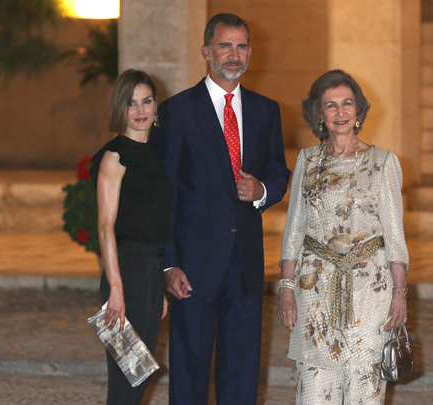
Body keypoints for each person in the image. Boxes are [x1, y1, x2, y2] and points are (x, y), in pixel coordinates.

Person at [149, 13, 291, 405]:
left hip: (245, 264)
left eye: (241, 46)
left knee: (242, 372)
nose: (234, 54)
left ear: (250, 52)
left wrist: (262, 189)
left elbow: (279, 171)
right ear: (206, 51)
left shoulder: (266, 111)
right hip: (191, 269)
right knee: (190, 372)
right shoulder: (176, 113)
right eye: (225, 45)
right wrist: (168, 264)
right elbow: (166, 195)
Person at [277, 69, 409, 404]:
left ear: (359, 110)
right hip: (314, 288)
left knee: (364, 389)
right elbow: (294, 230)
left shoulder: (383, 162)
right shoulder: (307, 160)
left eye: (347, 104)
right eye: (331, 105)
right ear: (319, 114)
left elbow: (395, 237)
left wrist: (400, 294)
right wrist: (287, 290)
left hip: (371, 292)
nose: (340, 112)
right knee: (314, 390)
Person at [90, 69, 172, 405]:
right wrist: (117, 290)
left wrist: (159, 285)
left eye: (147, 101)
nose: (140, 110)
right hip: (126, 273)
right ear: (119, 108)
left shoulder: (154, 155)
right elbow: (105, 227)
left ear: (156, 106)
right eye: (131, 103)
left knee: (137, 380)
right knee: (126, 383)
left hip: (149, 273)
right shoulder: (114, 155)